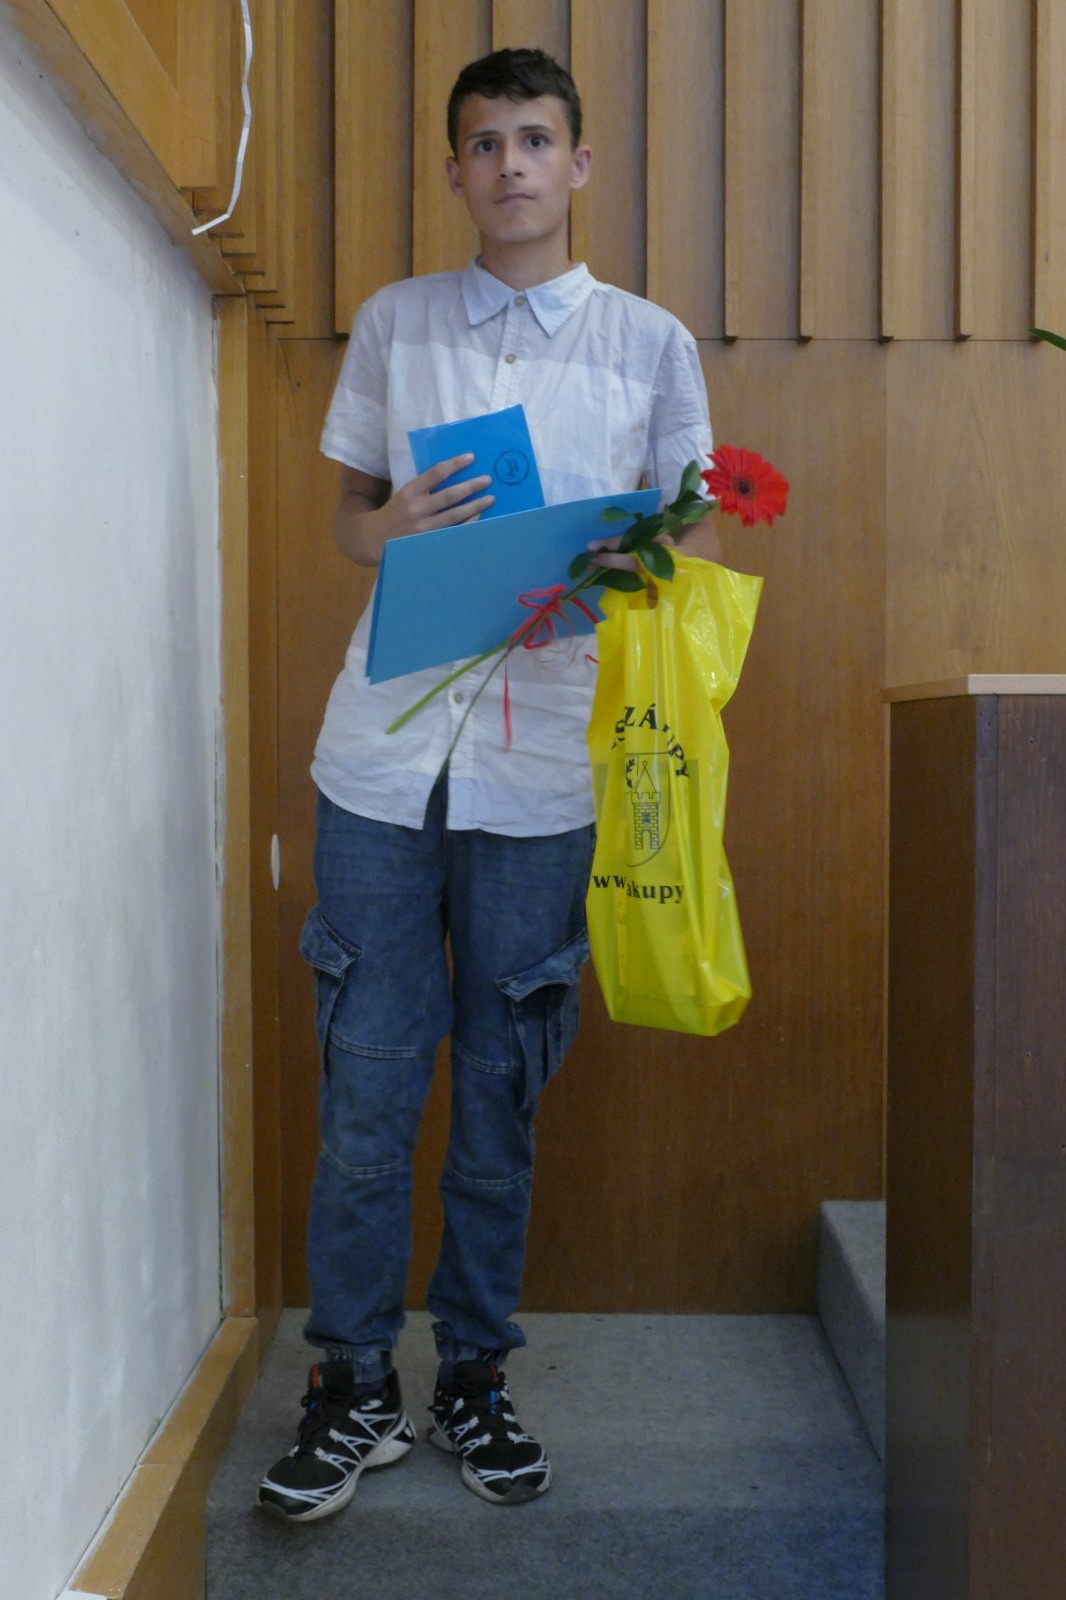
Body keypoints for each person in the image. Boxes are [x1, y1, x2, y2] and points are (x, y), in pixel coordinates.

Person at [258, 46, 713, 1523]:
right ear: (453, 171)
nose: (509, 164)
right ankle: (349, 1385)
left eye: (534, 139)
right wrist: (391, 522)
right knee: (367, 1091)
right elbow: (348, 520)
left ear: (578, 164)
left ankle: (471, 1375)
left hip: (545, 764)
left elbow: (694, 536)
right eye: (483, 143)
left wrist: (625, 566)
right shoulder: (397, 323)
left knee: (502, 1093)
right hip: (380, 763)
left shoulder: (650, 343)